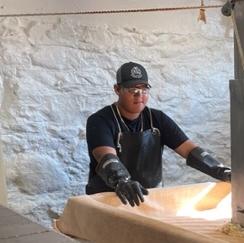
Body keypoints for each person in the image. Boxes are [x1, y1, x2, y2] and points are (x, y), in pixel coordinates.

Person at [86, 62, 231, 206]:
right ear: (117, 89)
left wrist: (222, 171)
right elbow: (106, 157)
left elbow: (189, 150)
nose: (139, 96)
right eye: (132, 89)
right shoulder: (100, 121)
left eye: (144, 89)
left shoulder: (157, 119)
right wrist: (122, 181)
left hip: (148, 198)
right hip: (107, 199)